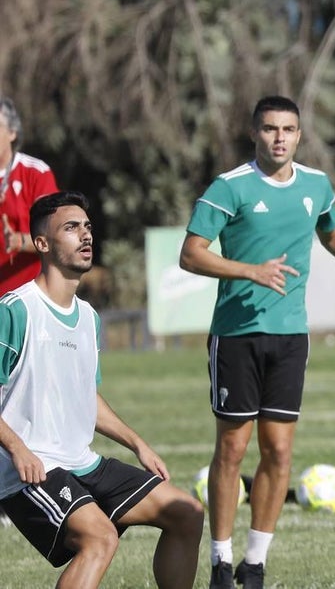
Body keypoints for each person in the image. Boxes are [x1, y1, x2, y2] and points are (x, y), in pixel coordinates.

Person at [179, 96, 335, 588]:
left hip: (291, 336)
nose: (280, 137)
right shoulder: (228, 187)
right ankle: (221, 563)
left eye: (289, 129)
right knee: (232, 450)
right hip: (236, 336)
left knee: (278, 452)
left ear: (299, 135)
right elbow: (191, 254)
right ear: (255, 133)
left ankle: (255, 565)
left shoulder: (315, 185)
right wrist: (249, 270)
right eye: (270, 128)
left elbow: (331, 234)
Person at [0, 191, 204, 587]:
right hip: (28, 468)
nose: (85, 236)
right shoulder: (16, 310)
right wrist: (18, 448)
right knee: (100, 538)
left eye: (88, 228)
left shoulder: (89, 319)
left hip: (82, 462)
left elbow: (86, 398)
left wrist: (138, 443)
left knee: (187, 512)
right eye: (71, 228)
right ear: (41, 244)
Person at [0, 95, 59, 294]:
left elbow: (54, 233)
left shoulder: (35, 173)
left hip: (30, 298)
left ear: (12, 132)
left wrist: (20, 241)